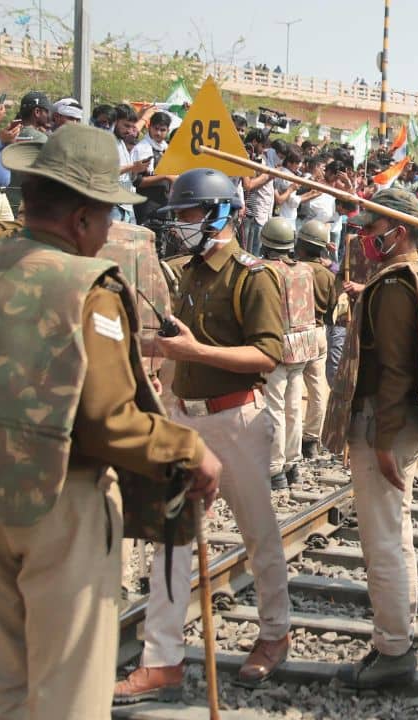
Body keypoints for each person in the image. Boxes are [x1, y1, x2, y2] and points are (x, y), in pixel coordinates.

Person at [0, 124, 217, 720]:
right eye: (109, 213)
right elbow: (107, 420)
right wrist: (190, 451)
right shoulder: (88, 288)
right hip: (58, 499)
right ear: (81, 218)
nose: (111, 227)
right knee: (70, 691)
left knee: (0, 686)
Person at [114, 169, 292, 703]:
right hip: (187, 418)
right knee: (171, 540)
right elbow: (179, 345)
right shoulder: (187, 272)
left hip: (236, 419)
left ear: (219, 214)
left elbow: (267, 355)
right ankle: (161, 660)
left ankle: (275, 632)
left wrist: (194, 352)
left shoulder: (252, 276)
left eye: (189, 214)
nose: (180, 225)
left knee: (258, 532)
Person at [321, 188, 418, 688]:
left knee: (383, 542)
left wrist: (381, 440)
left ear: (399, 232)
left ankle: (393, 648)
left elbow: (396, 371)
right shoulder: (413, 274)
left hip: (382, 420)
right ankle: (399, 632)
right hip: (388, 419)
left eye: (373, 230)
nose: (365, 238)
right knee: (395, 531)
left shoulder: (394, 285)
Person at [260, 217, 320, 489]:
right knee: (293, 407)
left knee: (274, 408)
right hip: (303, 346)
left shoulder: (265, 270)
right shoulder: (305, 269)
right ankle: (292, 464)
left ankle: (275, 469)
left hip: (276, 346)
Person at [297, 219, 337, 460]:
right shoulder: (327, 275)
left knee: (291, 390)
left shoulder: (293, 269)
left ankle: (291, 445)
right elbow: (333, 308)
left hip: (297, 333)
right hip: (320, 331)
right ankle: (311, 439)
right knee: (317, 387)